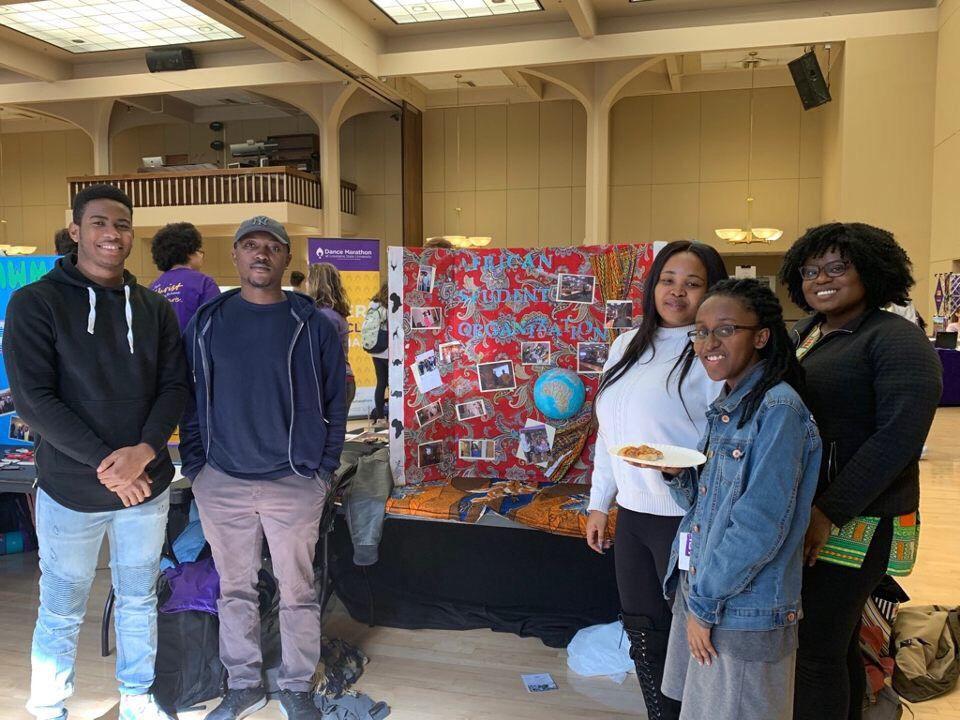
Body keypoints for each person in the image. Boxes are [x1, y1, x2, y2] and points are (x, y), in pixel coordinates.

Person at [3, 184, 188, 720]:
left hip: (145, 490)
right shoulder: (35, 303)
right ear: (76, 231)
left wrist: (144, 452)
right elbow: (35, 401)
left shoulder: (153, 308)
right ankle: (50, 705)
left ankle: (136, 699)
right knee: (61, 608)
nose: (114, 234)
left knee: (138, 600)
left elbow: (174, 388)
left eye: (123, 225)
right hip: (70, 491)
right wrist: (113, 465)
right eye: (101, 223)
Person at [179, 216, 347, 720]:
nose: (260, 254)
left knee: (298, 591)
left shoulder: (312, 324)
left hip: (293, 480)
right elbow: (188, 397)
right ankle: (244, 684)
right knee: (235, 589)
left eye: (271, 247)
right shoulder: (207, 321)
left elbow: (337, 399)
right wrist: (196, 467)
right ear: (234, 255)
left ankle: (295, 684)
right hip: (222, 480)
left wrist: (323, 469)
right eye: (249, 246)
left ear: (286, 258)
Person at [778, 223, 942, 720]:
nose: (820, 279)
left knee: (816, 649)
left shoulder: (895, 339)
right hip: (810, 513)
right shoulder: (807, 333)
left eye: (837, 267)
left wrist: (827, 511)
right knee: (838, 642)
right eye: (810, 270)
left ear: (871, 270)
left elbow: (898, 438)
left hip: (857, 519)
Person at [658, 278, 821, 720]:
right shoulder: (729, 404)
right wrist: (676, 474)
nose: (709, 342)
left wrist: (704, 608)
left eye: (726, 330)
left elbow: (759, 526)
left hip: (740, 609)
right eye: (701, 331)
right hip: (708, 593)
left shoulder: (778, 410)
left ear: (762, 337)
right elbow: (707, 506)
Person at [586, 240, 727, 720]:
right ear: (653, 285)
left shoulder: (715, 351)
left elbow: (730, 442)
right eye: (668, 279)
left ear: (712, 291)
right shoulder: (626, 345)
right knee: (643, 631)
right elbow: (612, 435)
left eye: (692, 283)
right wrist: (599, 503)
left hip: (687, 519)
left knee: (692, 638)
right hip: (634, 515)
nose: (677, 292)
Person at [149, 222, 220, 332]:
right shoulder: (204, 283)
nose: (201, 255)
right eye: (199, 251)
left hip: (160, 349)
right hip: (191, 348)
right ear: (189, 252)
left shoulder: (152, 287)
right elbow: (215, 325)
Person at [306, 262, 356, 414]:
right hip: (341, 380)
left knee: (327, 435)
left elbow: (322, 356)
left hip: (331, 382)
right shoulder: (333, 313)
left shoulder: (324, 316)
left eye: (309, 280)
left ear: (316, 283)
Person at [367, 282, 389, 428]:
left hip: (375, 349)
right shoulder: (389, 305)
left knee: (380, 383)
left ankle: (380, 418)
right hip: (388, 350)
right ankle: (395, 415)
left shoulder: (373, 304)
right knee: (393, 384)